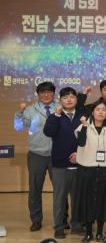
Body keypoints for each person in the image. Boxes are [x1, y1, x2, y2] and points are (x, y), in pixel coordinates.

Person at [73, 99, 106, 243]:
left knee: (102, 202)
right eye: (98, 109)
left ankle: (100, 232)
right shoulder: (83, 126)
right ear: (92, 112)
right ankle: (88, 232)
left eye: (104, 110)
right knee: (87, 202)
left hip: (105, 170)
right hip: (86, 170)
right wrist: (85, 125)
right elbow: (81, 142)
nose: (100, 112)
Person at [14, 81, 57, 232]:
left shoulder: (60, 107)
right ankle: (36, 220)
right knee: (35, 189)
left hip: (57, 154)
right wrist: (20, 113)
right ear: (38, 94)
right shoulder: (30, 110)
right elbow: (19, 127)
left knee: (60, 189)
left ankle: (62, 220)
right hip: (36, 154)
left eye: (49, 92)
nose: (46, 95)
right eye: (42, 92)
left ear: (54, 94)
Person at [43, 87, 84, 238]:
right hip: (60, 164)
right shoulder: (55, 116)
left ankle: (77, 225)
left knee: (78, 197)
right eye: (65, 97)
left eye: (72, 96)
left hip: (80, 163)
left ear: (76, 99)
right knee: (59, 198)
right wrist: (56, 115)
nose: (69, 99)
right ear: (60, 100)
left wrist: (80, 155)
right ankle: (59, 227)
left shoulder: (83, 116)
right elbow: (48, 132)